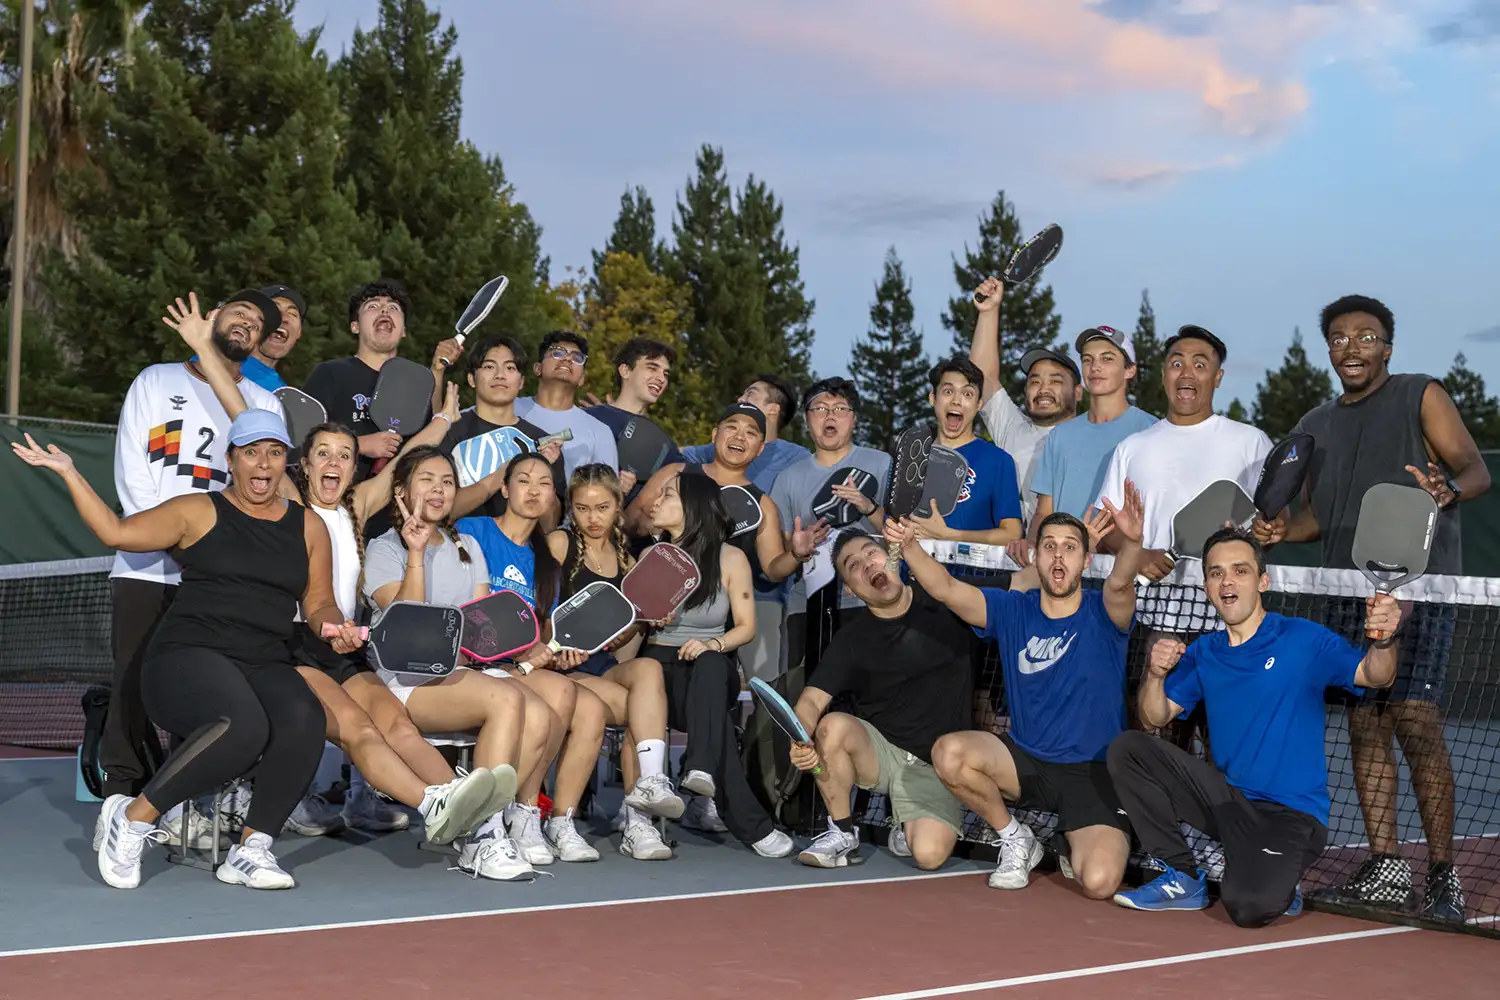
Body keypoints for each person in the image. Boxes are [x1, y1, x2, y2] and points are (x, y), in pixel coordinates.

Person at [14, 409, 364, 890]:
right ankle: (133, 819)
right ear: (231, 459)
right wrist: (71, 473)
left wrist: (332, 628)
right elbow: (116, 533)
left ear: (288, 462)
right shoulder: (197, 511)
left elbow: (319, 601)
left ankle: (252, 849)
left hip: (263, 658)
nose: (262, 464)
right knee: (244, 725)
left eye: (274, 452)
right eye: (250, 452)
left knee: (305, 717)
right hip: (184, 657)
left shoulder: (308, 527)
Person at [1254, 295, 1487, 921]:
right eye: (1339, 337)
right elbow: (1316, 519)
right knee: (1364, 725)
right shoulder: (1315, 422)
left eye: (1365, 336)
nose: (1351, 346)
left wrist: (1448, 490)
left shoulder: (1420, 394)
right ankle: (1384, 866)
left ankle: (1443, 878)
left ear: (1387, 347)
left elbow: (1473, 471)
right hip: (1344, 594)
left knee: (1415, 719)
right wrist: (1281, 532)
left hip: (1420, 588)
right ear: (1328, 348)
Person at [1108, 529, 1403, 926]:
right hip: (1229, 803)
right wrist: (1156, 674)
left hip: (1291, 816)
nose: (1227, 581)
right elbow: (1154, 717)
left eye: (1240, 571)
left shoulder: (1303, 640)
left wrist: (1384, 640)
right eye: (1216, 573)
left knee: (1248, 909)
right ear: (1207, 586)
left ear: (1263, 582)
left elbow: (1374, 675)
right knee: (1129, 749)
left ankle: (1277, 877)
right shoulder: (1204, 652)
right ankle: (1181, 876)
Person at [103, 291, 284, 842]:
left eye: (258, 324)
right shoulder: (155, 381)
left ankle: (182, 798)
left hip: (220, 580)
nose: (247, 324)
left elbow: (265, 488)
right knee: (133, 679)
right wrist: (171, 538)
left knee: (204, 688)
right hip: (146, 566)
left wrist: (218, 556)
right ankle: (123, 795)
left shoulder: (262, 405)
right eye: (239, 314)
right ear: (211, 320)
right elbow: (133, 468)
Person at [896, 488, 1140, 896]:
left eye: (1069, 547)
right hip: (1026, 760)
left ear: (1086, 559)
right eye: (1049, 546)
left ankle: (1070, 837)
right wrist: (908, 547)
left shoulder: (1105, 611)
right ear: (1035, 556)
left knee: (1099, 883)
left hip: (1093, 773)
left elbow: (1120, 582)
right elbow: (946, 590)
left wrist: (1132, 542)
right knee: (949, 753)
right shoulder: (1012, 609)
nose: (1058, 556)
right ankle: (1015, 837)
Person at [363, 446, 558, 882]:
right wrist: (415, 552)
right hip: (406, 679)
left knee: (542, 716)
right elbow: (404, 622)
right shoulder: (384, 548)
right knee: (506, 700)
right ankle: (483, 839)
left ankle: (484, 820)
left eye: (448, 482)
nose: (439, 490)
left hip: (462, 672)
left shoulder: (467, 545)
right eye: (427, 480)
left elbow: (480, 626)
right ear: (401, 492)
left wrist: (520, 654)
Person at [786, 530, 974, 871]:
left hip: (937, 762)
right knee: (831, 727)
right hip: (881, 755)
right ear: (850, 589)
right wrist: (800, 737)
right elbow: (811, 702)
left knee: (929, 856)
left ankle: (906, 819)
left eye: (871, 553)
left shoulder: (946, 598)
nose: (865, 564)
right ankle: (842, 832)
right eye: (852, 565)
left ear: (894, 558)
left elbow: (1019, 583)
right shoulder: (851, 639)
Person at [456, 453, 610, 865]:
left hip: (515, 668)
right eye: (523, 480)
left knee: (580, 700)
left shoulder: (545, 562)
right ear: (504, 490)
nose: (534, 489)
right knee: (560, 694)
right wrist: (522, 650)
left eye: (544, 483)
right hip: (471, 662)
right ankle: (509, 812)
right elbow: (462, 603)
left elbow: (541, 634)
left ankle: (539, 814)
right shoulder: (474, 530)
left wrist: (556, 651)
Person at [640, 470, 795, 859]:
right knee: (719, 727)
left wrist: (713, 641)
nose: (655, 502)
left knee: (711, 665)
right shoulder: (651, 555)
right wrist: (647, 618)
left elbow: (746, 628)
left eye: (668, 495)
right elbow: (635, 628)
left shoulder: (731, 557)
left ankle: (701, 766)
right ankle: (715, 783)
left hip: (712, 662)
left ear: (693, 506)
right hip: (659, 668)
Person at [627, 403, 826, 683]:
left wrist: (795, 554)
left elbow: (772, 568)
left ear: (760, 448)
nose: (739, 436)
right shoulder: (676, 474)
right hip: (663, 603)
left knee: (759, 683)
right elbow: (630, 522)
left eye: (751, 432)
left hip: (733, 608)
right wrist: (646, 523)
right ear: (714, 434)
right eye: (731, 426)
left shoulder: (763, 504)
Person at [544, 464, 678, 861]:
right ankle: (635, 818)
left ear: (618, 507)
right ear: (571, 508)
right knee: (643, 712)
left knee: (649, 673)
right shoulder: (559, 543)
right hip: (558, 666)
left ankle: (643, 800)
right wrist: (555, 649)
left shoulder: (628, 557)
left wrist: (644, 618)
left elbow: (617, 633)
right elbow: (541, 612)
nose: (592, 518)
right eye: (583, 509)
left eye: (602, 508)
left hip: (599, 664)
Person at [770, 378, 892, 671]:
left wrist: (869, 507)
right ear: (807, 419)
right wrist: (798, 551)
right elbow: (779, 560)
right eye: (820, 408)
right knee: (806, 693)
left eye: (840, 408)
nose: (830, 415)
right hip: (808, 605)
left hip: (871, 601)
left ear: (854, 420)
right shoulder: (788, 478)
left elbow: (902, 533)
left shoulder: (882, 463)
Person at [1025, 326, 1156, 552]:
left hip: (1126, 573)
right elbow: (1043, 513)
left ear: (1129, 370)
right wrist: (1030, 545)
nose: (1095, 367)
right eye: (1088, 360)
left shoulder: (1152, 431)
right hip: (1064, 571)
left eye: (1107, 359)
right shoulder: (1060, 436)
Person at [969, 277, 1082, 526]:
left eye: (1055, 381)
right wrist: (989, 312)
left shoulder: (1091, 438)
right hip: (1008, 558)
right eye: (1034, 381)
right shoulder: (1013, 429)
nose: (1043, 389)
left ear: (1078, 392)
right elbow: (982, 377)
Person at [302, 279, 429, 492]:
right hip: (334, 501)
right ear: (355, 326)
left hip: (394, 512)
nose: (384, 311)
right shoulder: (329, 374)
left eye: (393, 308)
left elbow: (425, 453)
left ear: (404, 330)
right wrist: (359, 445)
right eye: (373, 306)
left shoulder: (415, 385)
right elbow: (303, 443)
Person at [440, 335, 566, 523]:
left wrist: (542, 472)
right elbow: (437, 512)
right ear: (471, 379)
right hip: (456, 547)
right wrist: (500, 475)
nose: (500, 375)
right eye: (489, 366)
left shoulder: (543, 443)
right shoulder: (448, 432)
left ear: (521, 382)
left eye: (510, 368)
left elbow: (549, 527)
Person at [904, 357, 1022, 546]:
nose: (957, 401)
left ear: (978, 405)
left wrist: (949, 535)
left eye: (967, 394)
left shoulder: (998, 461)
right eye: (948, 391)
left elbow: (1012, 534)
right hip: (910, 570)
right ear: (933, 398)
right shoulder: (911, 457)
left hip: (969, 574)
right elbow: (890, 522)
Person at [584, 338, 683, 506]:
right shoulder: (588, 419)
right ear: (625, 371)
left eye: (666, 374)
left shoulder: (664, 445)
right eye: (652, 368)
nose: (661, 378)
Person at [514, 331, 620, 484]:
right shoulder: (508, 408)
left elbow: (607, 495)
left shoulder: (599, 432)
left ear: (582, 379)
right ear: (537, 368)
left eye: (577, 358)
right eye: (557, 352)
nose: (568, 359)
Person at [680, 374, 808, 491]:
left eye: (750, 394)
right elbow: (673, 453)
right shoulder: (721, 448)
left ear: (773, 409)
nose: (740, 399)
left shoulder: (796, 458)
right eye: (742, 394)